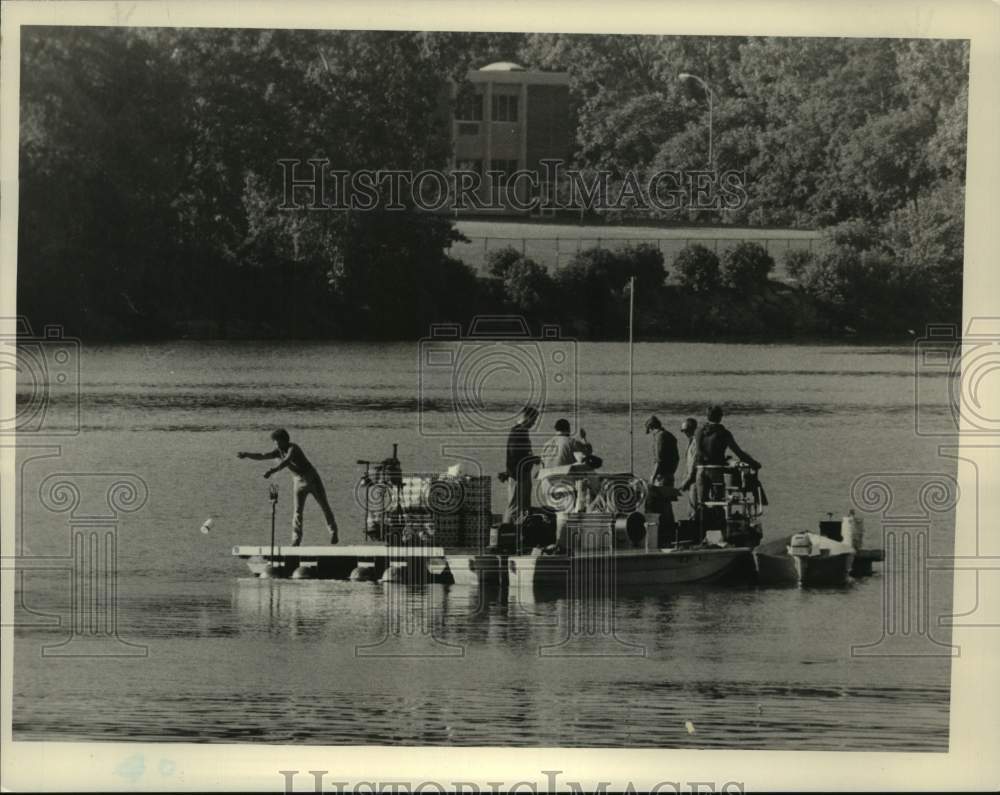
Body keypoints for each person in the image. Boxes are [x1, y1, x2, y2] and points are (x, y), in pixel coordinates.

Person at [238, 429, 339, 546]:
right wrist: (247, 454)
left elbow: (286, 461)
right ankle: (296, 540)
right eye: (274, 442)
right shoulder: (278, 451)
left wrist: (273, 471)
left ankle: (333, 532)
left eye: (277, 442)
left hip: (312, 478)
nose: (275, 444)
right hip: (297, 481)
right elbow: (262, 456)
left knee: (324, 506)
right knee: (297, 512)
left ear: (284, 441)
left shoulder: (293, 448)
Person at [681, 406, 762, 504]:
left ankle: (702, 518)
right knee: (718, 503)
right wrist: (753, 463)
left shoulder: (699, 432)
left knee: (701, 504)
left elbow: (699, 452)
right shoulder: (724, 433)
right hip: (716, 471)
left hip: (701, 470)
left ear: (707, 417)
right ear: (720, 417)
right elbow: (739, 453)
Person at [502, 407, 540, 524]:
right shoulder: (519, 432)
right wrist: (532, 459)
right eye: (533, 420)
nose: (533, 424)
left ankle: (519, 533)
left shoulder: (520, 431)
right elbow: (515, 454)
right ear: (527, 418)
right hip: (518, 475)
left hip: (521, 474)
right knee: (515, 507)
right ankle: (505, 531)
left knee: (522, 508)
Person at [645, 415, 680, 542]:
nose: (651, 434)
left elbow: (658, 461)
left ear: (652, 427)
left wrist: (652, 478)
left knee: (659, 504)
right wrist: (672, 472)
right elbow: (676, 458)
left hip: (662, 477)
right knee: (666, 504)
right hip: (669, 475)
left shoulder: (660, 437)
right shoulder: (670, 435)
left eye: (650, 431)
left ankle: (663, 534)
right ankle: (670, 531)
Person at [679, 417, 698, 515]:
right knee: (690, 509)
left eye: (685, 430)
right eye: (682, 431)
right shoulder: (690, 442)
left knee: (694, 511)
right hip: (690, 481)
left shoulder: (696, 443)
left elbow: (694, 464)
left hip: (694, 481)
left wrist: (687, 481)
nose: (684, 433)